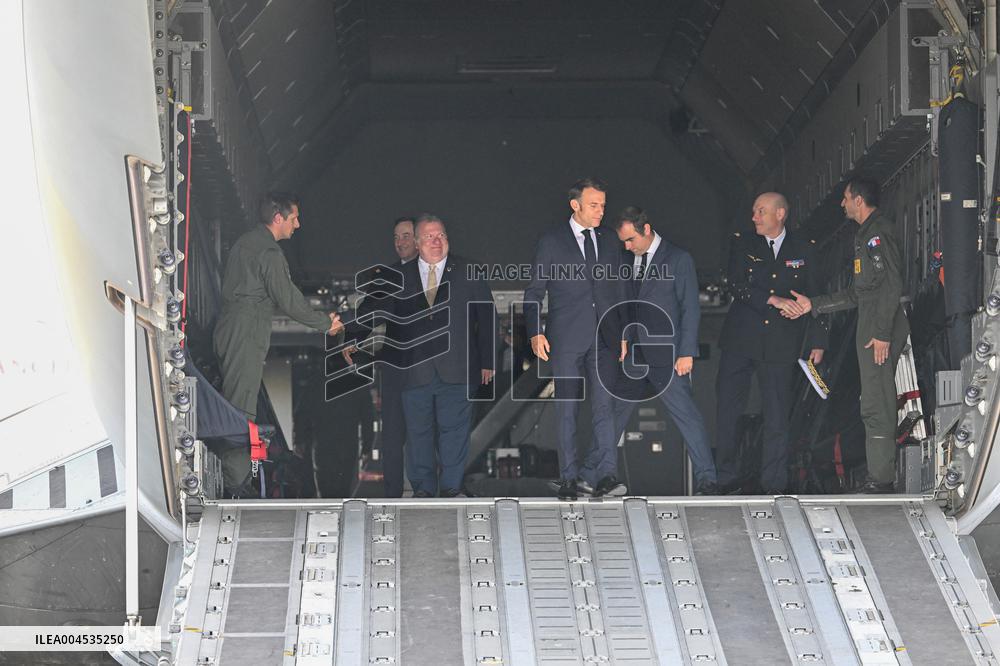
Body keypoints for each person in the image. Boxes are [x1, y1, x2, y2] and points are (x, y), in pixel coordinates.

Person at [346, 214, 497, 497]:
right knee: (418, 435)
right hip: (414, 371)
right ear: (417, 243)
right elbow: (372, 310)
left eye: (441, 235)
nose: (436, 241)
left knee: (454, 433)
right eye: (429, 236)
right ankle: (423, 490)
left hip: (459, 368)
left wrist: (488, 360)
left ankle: (451, 487)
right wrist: (351, 337)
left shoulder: (468, 270)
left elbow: (487, 316)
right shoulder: (398, 278)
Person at [784, 177, 909, 493]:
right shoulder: (864, 235)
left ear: (858, 200)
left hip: (878, 327)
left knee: (877, 401)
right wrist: (814, 305)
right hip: (870, 322)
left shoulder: (876, 234)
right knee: (871, 399)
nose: (841, 203)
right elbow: (857, 294)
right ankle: (879, 473)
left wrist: (881, 333)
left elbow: (891, 284)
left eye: (845, 198)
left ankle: (882, 479)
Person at [213, 191, 342, 492]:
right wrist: (325, 324)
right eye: (294, 217)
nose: (298, 225)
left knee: (236, 402)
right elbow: (288, 299)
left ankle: (236, 477)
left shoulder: (246, 244)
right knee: (241, 410)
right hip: (245, 333)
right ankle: (237, 485)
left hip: (233, 329)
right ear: (278, 218)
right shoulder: (268, 253)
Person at [715, 192, 828, 494]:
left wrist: (818, 341)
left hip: (781, 342)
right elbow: (736, 284)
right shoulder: (743, 243)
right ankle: (724, 479)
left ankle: (773, 483)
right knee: (728, 409)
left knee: (777, 414)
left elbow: (817, 295)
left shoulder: (804, 247)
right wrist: (771, 299)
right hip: (741, 339)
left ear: (780, 214)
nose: (754, 217)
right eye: (753, 211)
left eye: (761, 212)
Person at [524, 178, 626, 500]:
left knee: (605, 407)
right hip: (566, 337)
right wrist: (535, 331)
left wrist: (624, 331)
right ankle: (568, 478)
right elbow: (534, 292)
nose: (600, 211)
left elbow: (619, 289)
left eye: (603, 205)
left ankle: (607, 476)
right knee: (566, 407)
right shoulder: (552, 241)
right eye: (594, 205)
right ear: (575, 205)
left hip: (605, 336)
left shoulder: (610, 240)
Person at [611, 207, 718, 494]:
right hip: (636, 352)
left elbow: (690, 308)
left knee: (687, 417)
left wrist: (686, 352)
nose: (627, 246)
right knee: (614, 415)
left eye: (631, 239)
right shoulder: (628, 260)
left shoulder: (678, 258)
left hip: (668, 356)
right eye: (623, 241)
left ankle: (708, 479)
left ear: (647, 229)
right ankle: (600, 476)